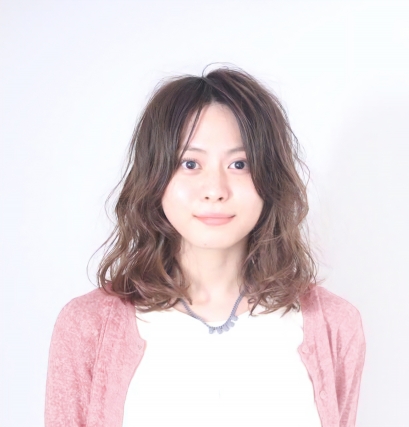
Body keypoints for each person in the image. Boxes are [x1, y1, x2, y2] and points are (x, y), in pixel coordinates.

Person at [44, 66, 366, 427]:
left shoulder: (334, 325)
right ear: (155, 177)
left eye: (239, 164)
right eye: (190, 163)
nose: (215, 189)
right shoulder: (88, 327)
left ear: (271, 178)